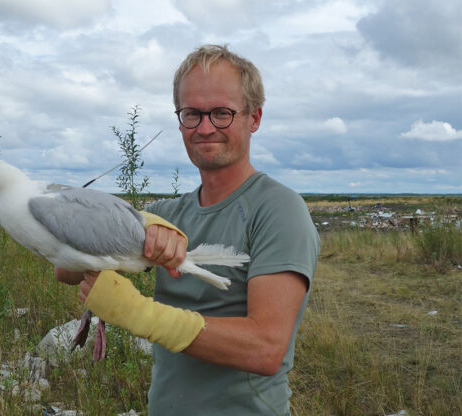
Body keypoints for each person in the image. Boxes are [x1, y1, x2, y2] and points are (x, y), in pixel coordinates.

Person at [55, 44, 319, 415]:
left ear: (254, 118)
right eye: (192, 113)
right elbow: (65, 269)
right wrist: (139, 228)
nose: (205, 127)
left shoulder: (277, 209)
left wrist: (136, 312)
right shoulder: (168, 214)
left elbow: (266, 348)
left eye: (222, 113)